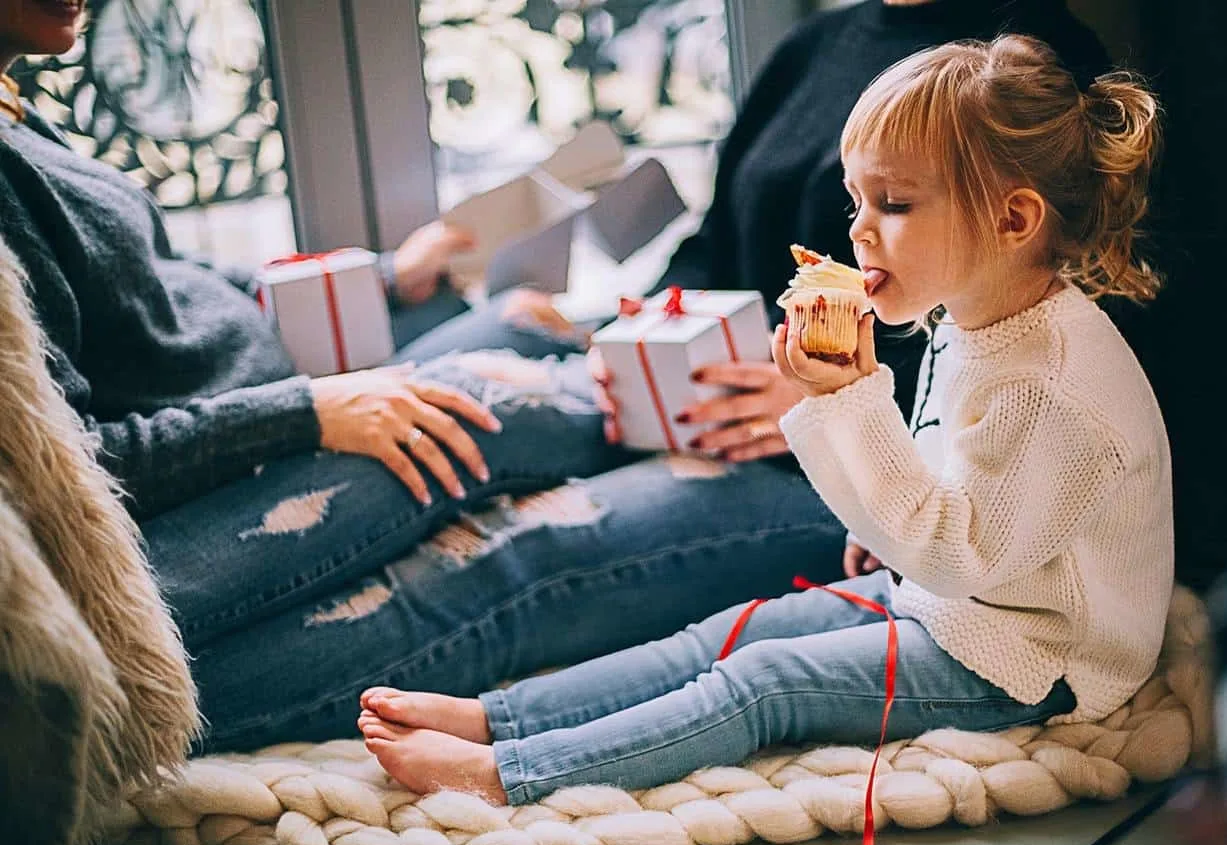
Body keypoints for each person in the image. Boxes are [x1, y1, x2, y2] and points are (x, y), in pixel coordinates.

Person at [0, 0, 1115, 754]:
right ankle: (103, 667)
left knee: (519, 532)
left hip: (843, 458)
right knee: (487, 387)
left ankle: (122, 702)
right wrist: (636, 325)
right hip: (719, 389)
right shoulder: (815, 47)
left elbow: (1032, 331)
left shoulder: (1034, 68)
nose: (869, 227)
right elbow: (715, 253)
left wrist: (828, 395)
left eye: (894, 206)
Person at [353, 34, 1176, 807]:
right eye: (857, 199)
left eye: (893, 202)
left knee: (766, 683)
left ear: (1013, 220)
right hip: (966, 598)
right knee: (725, 634)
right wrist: (887, 527)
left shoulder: (1052, 385)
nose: (857, 230)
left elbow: (961, 555)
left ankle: (513, 772)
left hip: (1033, 655)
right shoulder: (974, 314)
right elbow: (949, 477)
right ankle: (502, 716)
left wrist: (846, 397)